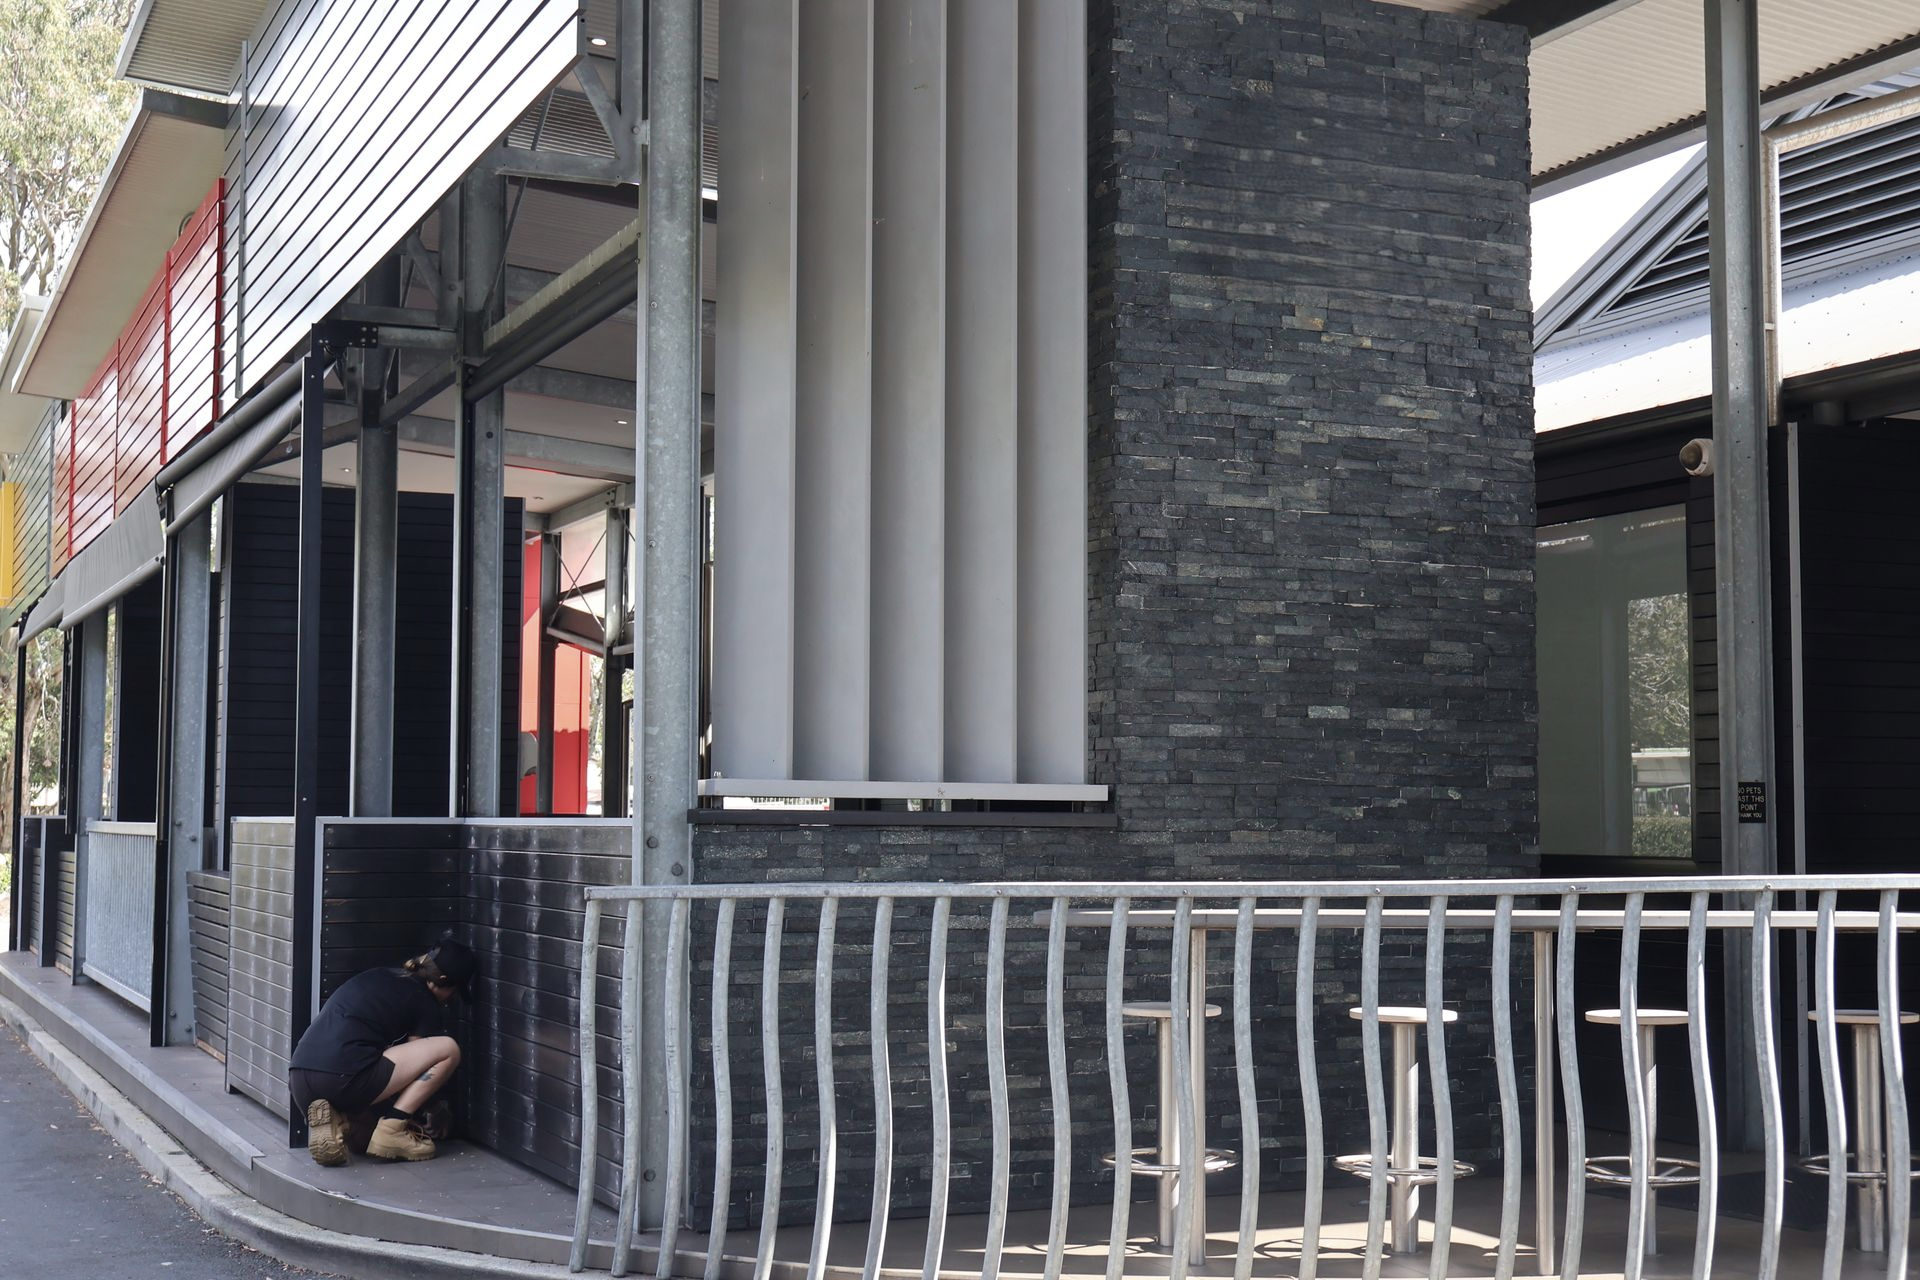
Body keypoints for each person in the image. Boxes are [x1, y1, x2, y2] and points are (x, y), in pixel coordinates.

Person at [287, 937, 476, 1165]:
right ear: (443, 981)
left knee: (366, 1142)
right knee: (449, 1049)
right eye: (454, 992)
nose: (451, 1000)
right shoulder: (424, 1000)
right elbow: (418, 1066)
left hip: (300, 1080)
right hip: (342, 1079)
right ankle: (393, 1129)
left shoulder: (380, 976)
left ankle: (340, 1122)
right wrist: (435, 1110)